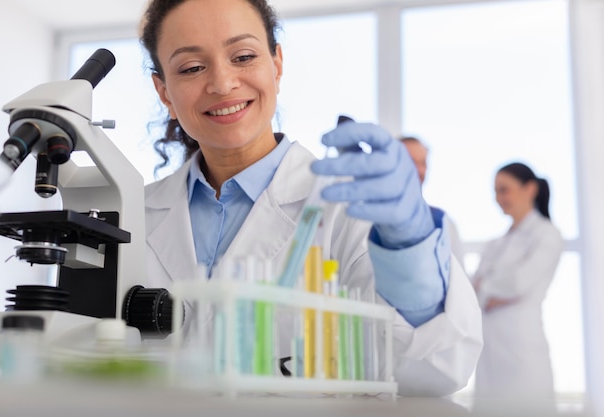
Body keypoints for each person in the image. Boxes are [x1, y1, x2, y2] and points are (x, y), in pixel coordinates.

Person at [140, 0, 482, 397]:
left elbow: (437, 370)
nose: (222, 82)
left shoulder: (348, 209)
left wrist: (409, 247)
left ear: (277, 64)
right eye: (192, 68)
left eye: (244, 56)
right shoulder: (131, 217)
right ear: (163, 89)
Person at [472, 162, 563, 400]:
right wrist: (491, 294)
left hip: (523, 353)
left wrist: (486, 289)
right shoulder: (496, 243)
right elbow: (473, 287)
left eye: (504, 189)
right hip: (489, 354)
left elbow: (519, 283)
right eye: (495, 191)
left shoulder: (547, 234)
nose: (498, 197)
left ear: (530, 189)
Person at [399, 136, 466, 267]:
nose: (419, 170)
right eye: (411, 162)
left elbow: (458, 279)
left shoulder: (443, 222)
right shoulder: (367, 219)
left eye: (423, 163)